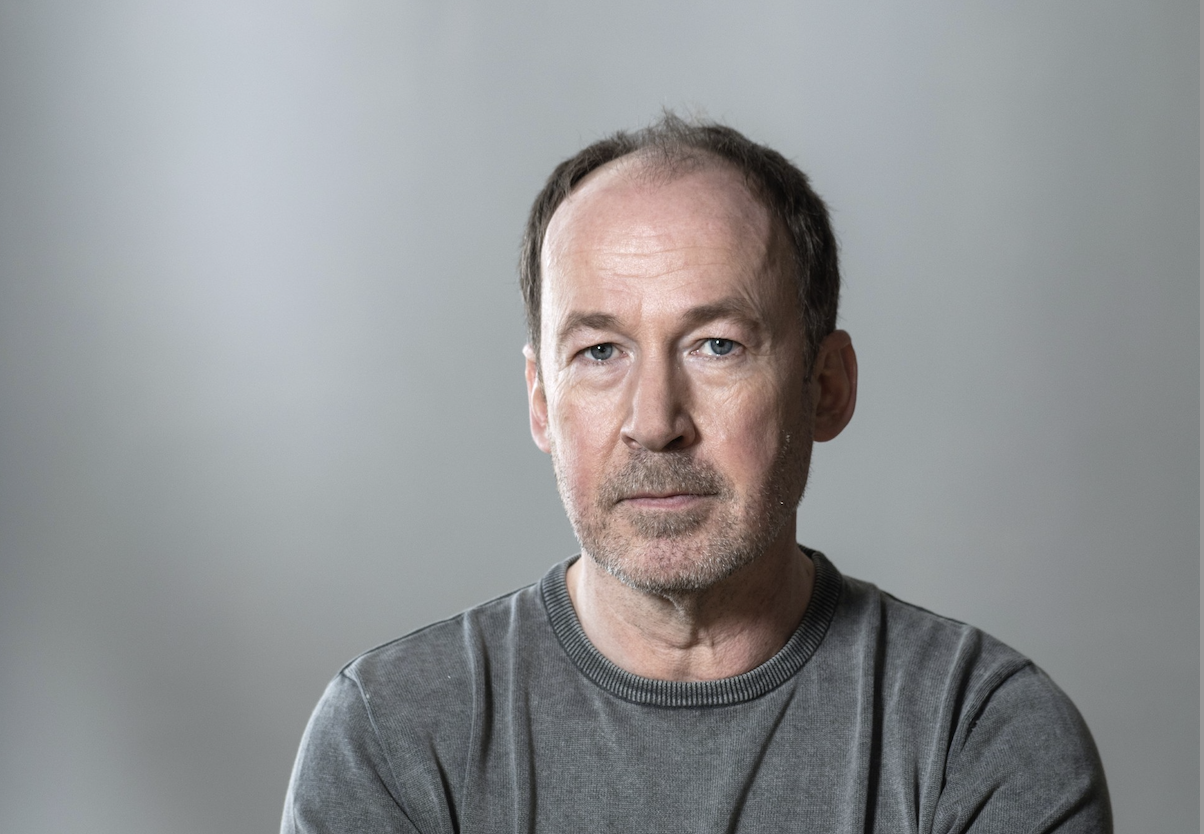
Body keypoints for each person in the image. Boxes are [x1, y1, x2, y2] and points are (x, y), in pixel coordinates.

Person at [281, 115, 1111, 833]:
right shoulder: (393, 735)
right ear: (541, 402)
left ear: (827, 387)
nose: (654, 421)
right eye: (599, 352)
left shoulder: (982, 733)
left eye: (717, 345)